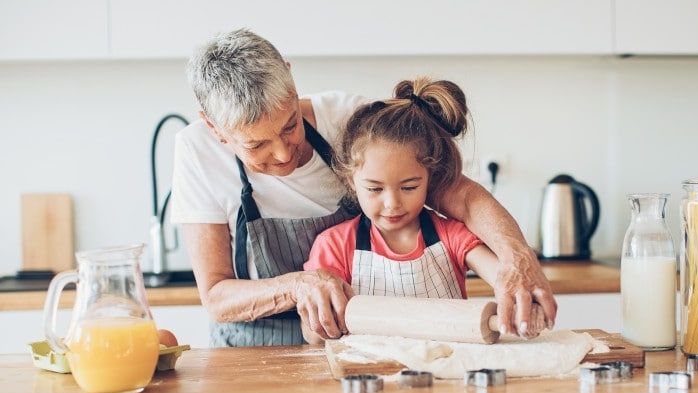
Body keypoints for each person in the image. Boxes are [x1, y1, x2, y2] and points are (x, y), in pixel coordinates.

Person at [170, 27, 557, 347]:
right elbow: (217, 296)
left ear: (291, 76)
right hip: (251, 350)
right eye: (256, 145)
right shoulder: (196, 153)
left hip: (358, 338)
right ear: (214, 128)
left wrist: (515, 258)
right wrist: (300, 286)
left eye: (290, 125)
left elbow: (461, 196)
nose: (284, 152)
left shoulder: (346, 119)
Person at [303, 77, 547, 344]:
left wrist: (523, 304)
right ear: (351, 181)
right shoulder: (335, 245)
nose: (392, 203)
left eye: (409, 187)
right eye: (374, 189)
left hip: (447, 372)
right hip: (366, 375)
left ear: (430, 179)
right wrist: (318, 320)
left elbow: (503, 276)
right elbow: (313, 338)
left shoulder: (450, 235)